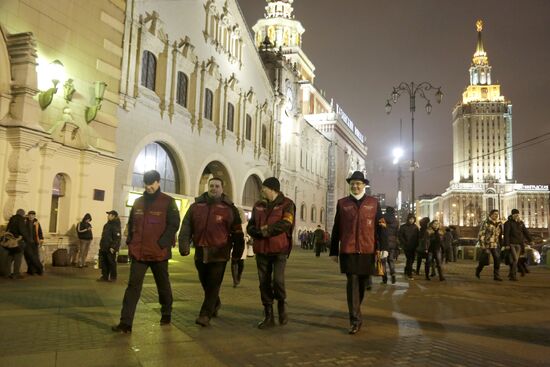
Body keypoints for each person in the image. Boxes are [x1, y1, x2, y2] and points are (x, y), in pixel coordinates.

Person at [112, 170, 180, 333]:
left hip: (159, 254)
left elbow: (174, 225)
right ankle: (125, 323)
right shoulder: (138, 202)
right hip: (139, 253)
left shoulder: (168, 202)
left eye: (151, 184)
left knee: (163, 286)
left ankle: (166, 312)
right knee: (132, 287)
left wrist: (162, 243)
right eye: (146, 184)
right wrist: (130, 242)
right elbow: (131, 223)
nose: (148, 187)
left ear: (158, 183)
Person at [178, 177, 244, 327]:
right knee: (206, 283)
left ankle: (205, 314)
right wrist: (184, 245)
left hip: (219, 253)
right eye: (211, 185)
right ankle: (215, 303)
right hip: (201, 252)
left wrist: (237, 254)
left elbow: (237, 233)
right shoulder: (196, 206)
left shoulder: (229, 209)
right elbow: (186, 225)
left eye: (217, 186)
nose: (214, 188)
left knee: (214, 284)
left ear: (222, 188)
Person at [329, 171, 385, 335]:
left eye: (358, 183)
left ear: (364, 185)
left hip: (367, 250)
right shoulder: (342, 203)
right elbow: (336, 228)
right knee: (352, 283)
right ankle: (354, 319)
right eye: (352, 183)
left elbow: (381, 226)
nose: (355, 186)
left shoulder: (374, 203)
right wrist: (334, 251)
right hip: (349, 250)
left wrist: (384, 247)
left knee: (361, 285)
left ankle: (356, 310)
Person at [247, 177, 296, 329]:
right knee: (264, 283)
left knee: (278, 281)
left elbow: (286, 223)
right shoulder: (258, 205)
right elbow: (251, 225)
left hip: (279, 249)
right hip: (261, 250)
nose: (262, 191)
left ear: (273, 189)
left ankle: (281, 305)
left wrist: (266, 231)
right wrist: (256, 232)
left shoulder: (287, 204)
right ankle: (269, 315)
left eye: (264, 188)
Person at [1, 209, 32, 279]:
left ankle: (7, 273)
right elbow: (23, 231)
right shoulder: (20, 219)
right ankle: (16, 274)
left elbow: (7, 230)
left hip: (10, 241)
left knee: (10, 257)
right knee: (18, 257)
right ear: (22, 214)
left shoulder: (11, 219)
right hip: (17, 241)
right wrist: (29, 240)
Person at [503, 209, 533, 281]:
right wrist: (506, 244)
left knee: (514, 260)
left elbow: (526, 232)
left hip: (519, 244)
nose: (517, 216)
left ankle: (511, 274)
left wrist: (530, 240)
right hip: (512, 244)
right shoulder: (508, 223)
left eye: (518, 214)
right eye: (515, 214)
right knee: (515, 259)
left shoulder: (520, 223)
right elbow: (506, 234)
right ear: (512, 215)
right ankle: (513, 275)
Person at [475, 209, 503, 281]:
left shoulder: (499, 223)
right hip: (487, 244)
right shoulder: (486, 222)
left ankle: (496, 276)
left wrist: (501, 244)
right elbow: (481, 234)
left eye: (497, 214)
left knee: (497, 259)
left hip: (495, 244)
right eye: (495, 214)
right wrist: (482, 245)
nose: (496, 215)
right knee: (484, 260)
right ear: (491, 215)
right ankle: (478, 269)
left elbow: (500, 235)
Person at [98, 210, 121, 282]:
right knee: (104, 262)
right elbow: (104, 236)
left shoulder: (116, 225)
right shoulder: (107, 225)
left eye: (109, 215)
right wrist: (101, 245)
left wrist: (113, 247)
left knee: (111, 262)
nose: (107, 216)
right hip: (104, 247)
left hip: (110, 248)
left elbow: (117, 238)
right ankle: (104, 276)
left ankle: (113, 277)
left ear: (113, 216)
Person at [380, 206, 399, 284]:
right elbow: (397, 232)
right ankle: (393, 274)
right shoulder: (396, 220)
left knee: (383, 261)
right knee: (391, 260)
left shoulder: (382, 219)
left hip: (384, 242)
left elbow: (380, 230)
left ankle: (384, 278)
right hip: (392, 242)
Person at [399, 213, 418, 280]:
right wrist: (404, 243)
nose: (411, 220)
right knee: (410, 259)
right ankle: (410, 274)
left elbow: (417, 237)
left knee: (412, 260)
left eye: (413, 219)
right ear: (408, 219)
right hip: (406, 246)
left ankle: (406, 269)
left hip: (414, 246)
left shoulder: (416, 227)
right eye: (410, 219)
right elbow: (400, 236)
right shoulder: (403, 227)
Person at [25, 210, 44, 275]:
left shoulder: (37, 223)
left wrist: (41, 240)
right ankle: (31, 270)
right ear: (28, 215)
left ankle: (39, 269)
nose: (31, 216)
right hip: (27, 242)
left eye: (32, 215)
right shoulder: (25, 222)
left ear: (34, 216)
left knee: (34, 257)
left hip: (35, 242)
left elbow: (40, 232)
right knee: (29, 257)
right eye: (30, 215)